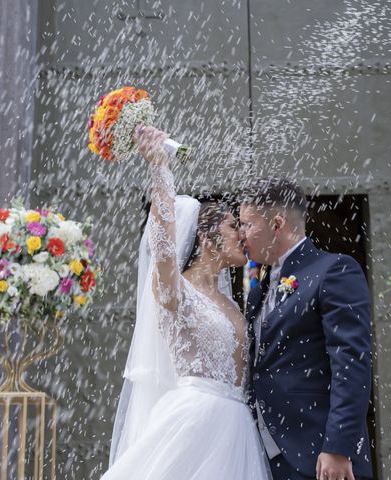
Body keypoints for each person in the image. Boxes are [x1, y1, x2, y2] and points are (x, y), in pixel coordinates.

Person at [102, 126, 270, 480]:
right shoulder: (175, 293)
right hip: (194, 423)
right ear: (207, 240)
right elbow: (163, 246)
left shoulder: (233, 302)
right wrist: (160, 169)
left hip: (238, 429)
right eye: (231, 227)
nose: (241, 234)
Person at [240, 178, 373, 480]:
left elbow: (351, 363)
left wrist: (338, 447)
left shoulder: (334, 271)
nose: (242, 235)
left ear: (277, 223)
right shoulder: (260, 290)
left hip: (319, 455)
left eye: (247, 224)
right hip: (263, 456)